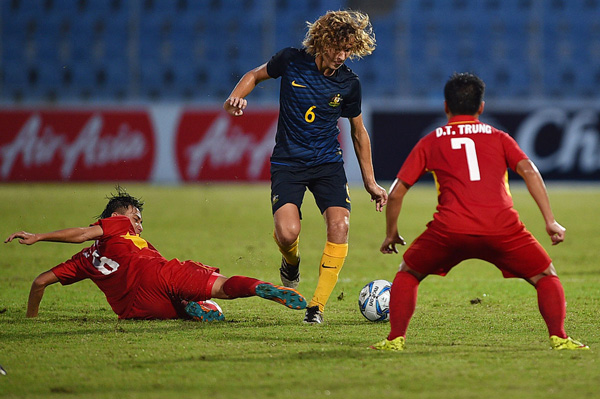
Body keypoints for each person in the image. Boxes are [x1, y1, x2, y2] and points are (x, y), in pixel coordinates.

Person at [370, 73, 589, 351]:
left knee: (408, 273)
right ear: (481, 107)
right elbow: (530, 171)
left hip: (449, 230)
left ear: (446, 106)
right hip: (502, 228)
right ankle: (559, 337)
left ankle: (395, 340)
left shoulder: (431, 140)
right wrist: (550, 220)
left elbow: (397, 192)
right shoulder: (499, 137)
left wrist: (392, 233)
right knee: (546, 276)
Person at [223, 10, 388, 324]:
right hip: (288, 162)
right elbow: (254, 76)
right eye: (337, 48)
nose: (342, 56)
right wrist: (235, 98)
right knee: (287, 233)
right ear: (322, 42)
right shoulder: (291, 61)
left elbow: (358, 131)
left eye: (348, 50)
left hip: (327, 163)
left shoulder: (349, 84)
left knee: (340, 226)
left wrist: (370, 181)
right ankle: (291, 263)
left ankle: (317, 307)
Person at [5, 188, 306, 321]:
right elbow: (84, 233)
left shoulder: (83, 261)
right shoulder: (119, 225)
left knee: (188, 307)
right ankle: (257, 288)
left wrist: (32, 319)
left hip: (136, 309)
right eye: (136, 217)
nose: (139, 223)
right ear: (117, 216)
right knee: (219, 286)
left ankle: (197, 309)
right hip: (157, 273)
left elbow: (40, 282)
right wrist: (39, 236)